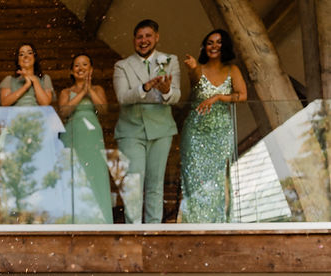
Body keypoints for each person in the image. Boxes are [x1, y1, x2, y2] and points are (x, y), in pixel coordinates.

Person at [113, 19, 181, 224]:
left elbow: (176, 95)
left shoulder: (170, 60)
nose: (144, 40)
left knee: (155, 183)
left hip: (161, 129)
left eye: (148, 36)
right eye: (139, 37)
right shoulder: (122, 65)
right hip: (131, 130)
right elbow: (122, 97)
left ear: (157, 37)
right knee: (133, 183)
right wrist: (144, 88)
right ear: (134, 40)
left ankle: (154, 230)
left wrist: (166, 91)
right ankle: (133, 230)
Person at [179, 29, 247, 223]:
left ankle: (218, 224)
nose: (214, 46)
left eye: (218, 42)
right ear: (204, 47)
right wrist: (193, 68)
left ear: (225, 46)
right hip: (195, 132)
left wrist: (218, 97)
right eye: (210, 43)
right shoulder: (198, 69)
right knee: (193, 180)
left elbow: (242, 95)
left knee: (218, 179)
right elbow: (195, 83)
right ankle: (193, 226)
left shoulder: (232, 70)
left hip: (220, 132)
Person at [58, 53, 113, 223]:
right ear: (71, 71)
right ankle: (73, 221)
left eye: (84, 64)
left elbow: (103, 110)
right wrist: (82, 93)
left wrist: (89, 90)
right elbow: (64, 112)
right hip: (72, 136)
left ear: (91, 69)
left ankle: (100, 221)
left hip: (92, 137)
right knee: (73, 175)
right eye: (76, 65)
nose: (80, 68)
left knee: (95, 174)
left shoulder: (98, 89)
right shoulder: (66, 92)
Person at [0, 43, 54, 107]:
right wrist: (27, 85)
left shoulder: (45, 79)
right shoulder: (9, 80)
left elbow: (45, 103)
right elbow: (4, 103)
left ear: (34, 58)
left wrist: (35, 80)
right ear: (18, 61)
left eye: (30, 53)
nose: (26, 56)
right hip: (15, 113)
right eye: (21, 54)